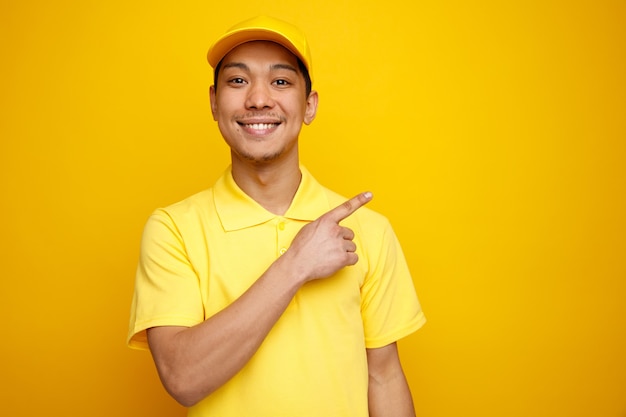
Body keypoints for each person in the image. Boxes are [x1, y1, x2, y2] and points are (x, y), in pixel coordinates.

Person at [127, 15, 426, 417]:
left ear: (309, 105)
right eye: (238, 81)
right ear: (214, 103)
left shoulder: (368, 231)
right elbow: (182, 378)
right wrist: (296, 265)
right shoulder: (173, 229)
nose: (258, 99)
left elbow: (384, 377)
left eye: (281, 82)